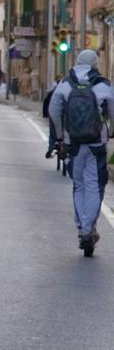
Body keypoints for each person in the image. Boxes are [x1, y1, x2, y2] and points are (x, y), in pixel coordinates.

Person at [47, 49, 114, 255]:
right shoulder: (103, 85)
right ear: (95, 64)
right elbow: (112, 111)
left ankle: (81, 227)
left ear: (76, 62)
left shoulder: (65, 85)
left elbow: (53, 111)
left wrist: (59, 137)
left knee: (79, 186)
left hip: (72, 143)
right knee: (94, 184)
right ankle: (88, 229)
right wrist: (110, 131)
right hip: (96, 144)